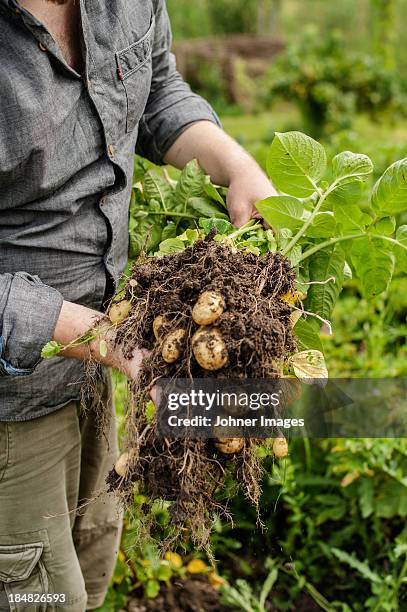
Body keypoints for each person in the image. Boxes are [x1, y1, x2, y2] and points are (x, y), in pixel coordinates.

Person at [0, 0, 276, 609]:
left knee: (88, 574)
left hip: (100, 375)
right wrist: (117, 345)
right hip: (11, 408)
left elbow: (155, 89)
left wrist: (234, 164)